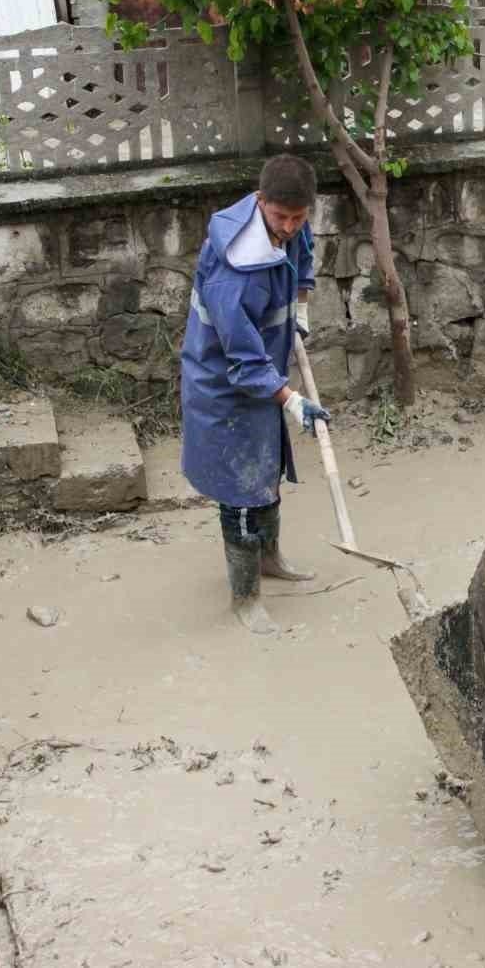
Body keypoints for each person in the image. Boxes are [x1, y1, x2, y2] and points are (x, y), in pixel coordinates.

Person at [181, 154, 331, 636]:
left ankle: (269, 559)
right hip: (223, 384)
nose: (289, 227)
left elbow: (302, 258)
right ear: (260, 201)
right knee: (241, 490)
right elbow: (242, 361)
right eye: (280, 216)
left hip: (263, 370)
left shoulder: (290, 227)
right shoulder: (234, 271)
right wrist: (292, 400)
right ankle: (244, 598)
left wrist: (300, 309)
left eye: (298, 217)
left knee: (266, 468)